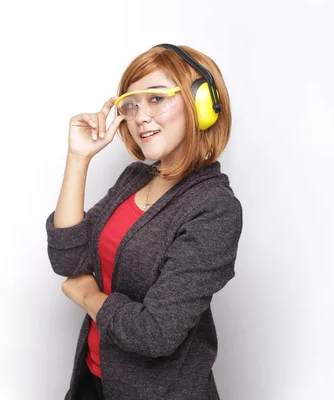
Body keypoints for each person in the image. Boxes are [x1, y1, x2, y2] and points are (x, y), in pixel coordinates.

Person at [45, 43, 243, 400]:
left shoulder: (214, 208)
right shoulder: (134, 179)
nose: (139, 116)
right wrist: (78, 158)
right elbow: (67, 259)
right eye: (131, 104)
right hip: (92, 380)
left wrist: (89, 295)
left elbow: (155, 332)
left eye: (155, 98)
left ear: (202, 105)